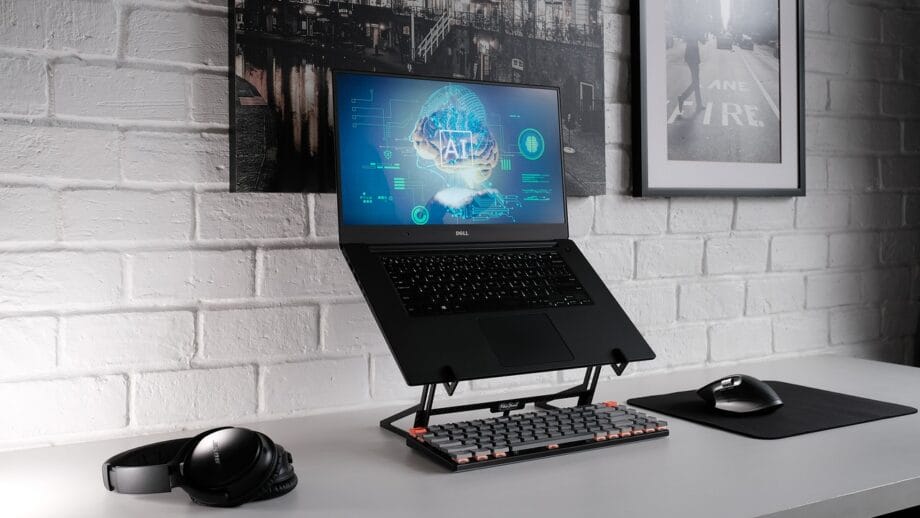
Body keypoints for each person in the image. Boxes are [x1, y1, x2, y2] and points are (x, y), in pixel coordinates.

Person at [678, 31, 704, 114]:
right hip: (693, 58)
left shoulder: (692, 27)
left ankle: (699, 104)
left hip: (691, 57)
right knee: (696, 82)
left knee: (696, 81)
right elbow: (702, 40)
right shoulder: (694, 28)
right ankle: (682, 98)